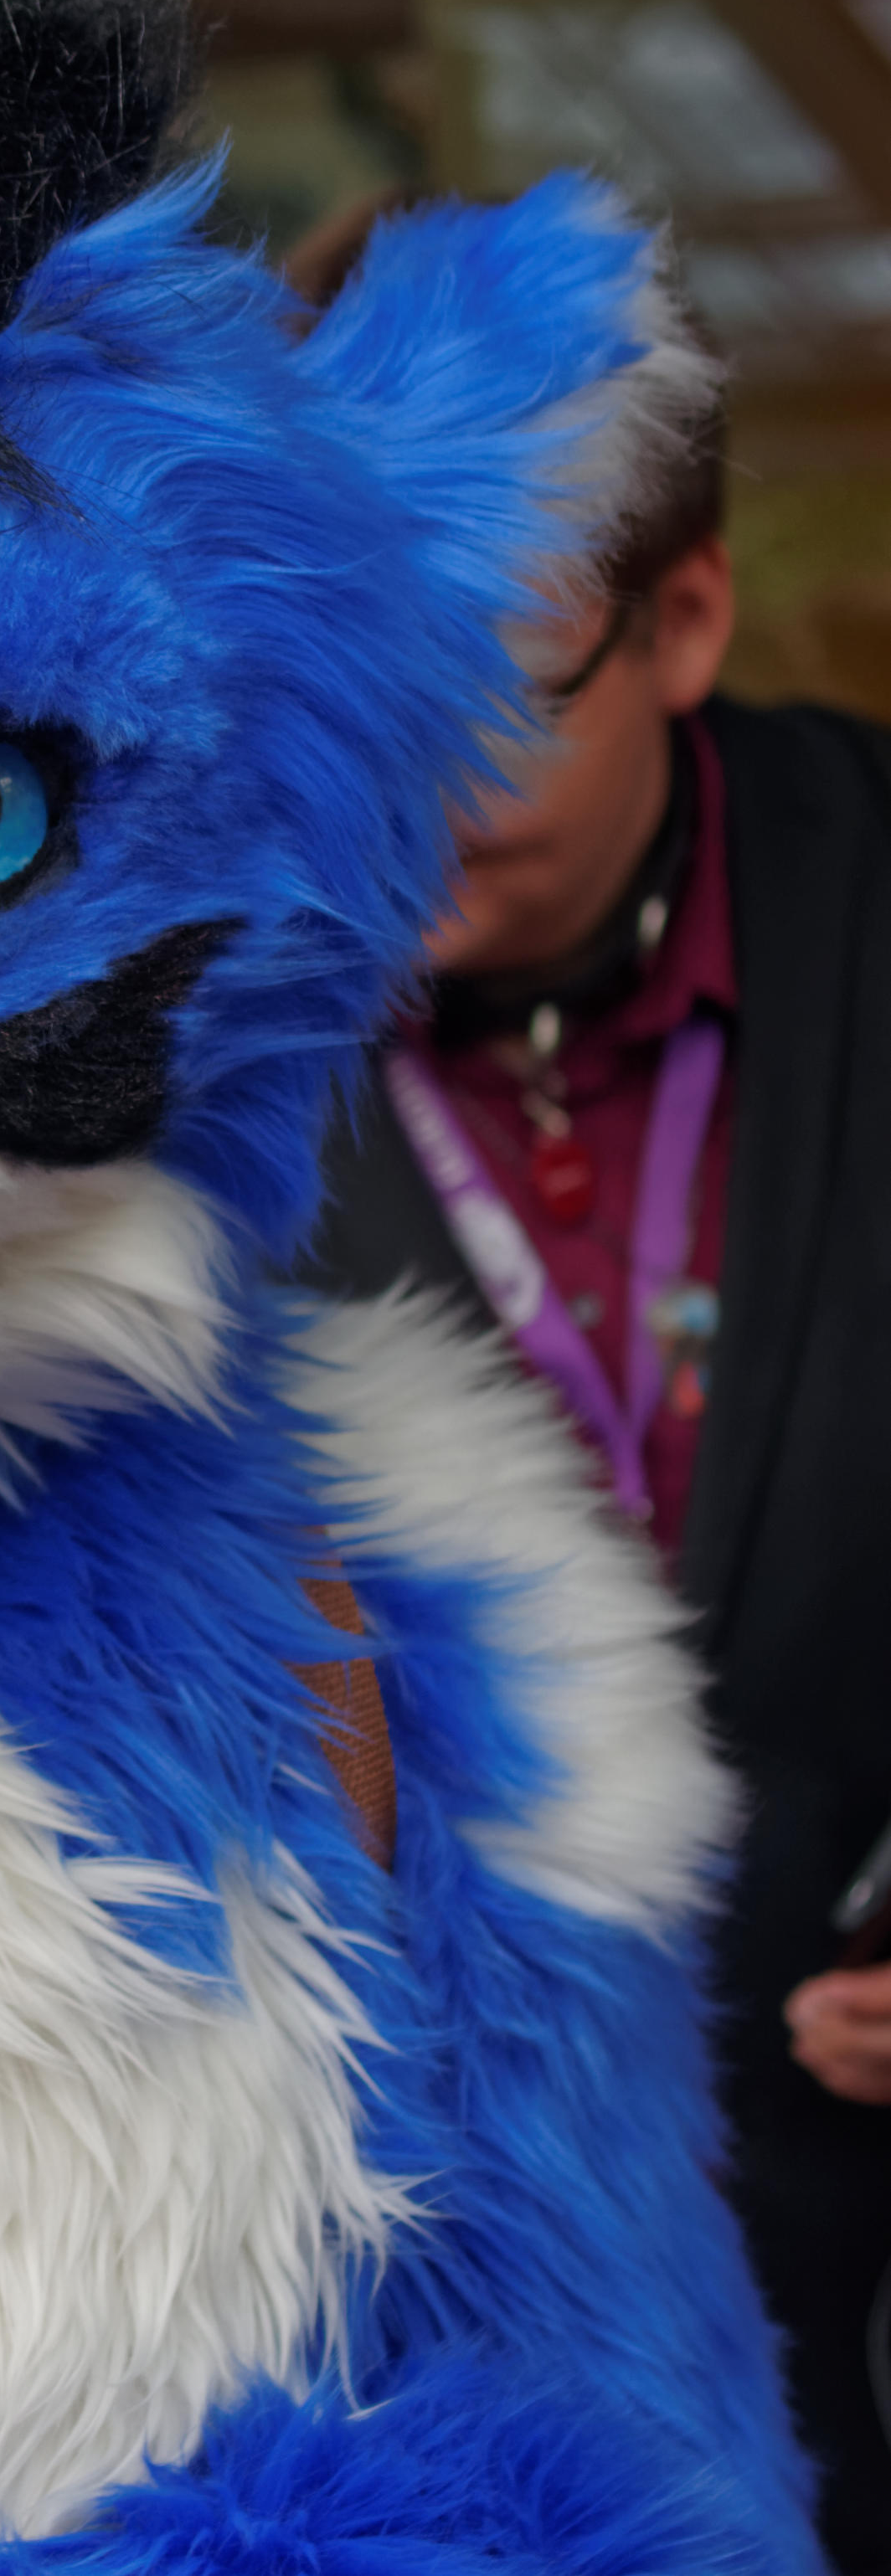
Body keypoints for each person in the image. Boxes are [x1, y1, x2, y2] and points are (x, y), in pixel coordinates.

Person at [299, 227, 891, 2570]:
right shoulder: (148, 1030)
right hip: (427, 2329)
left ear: (687, 623)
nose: (391, 786)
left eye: (487, 690)